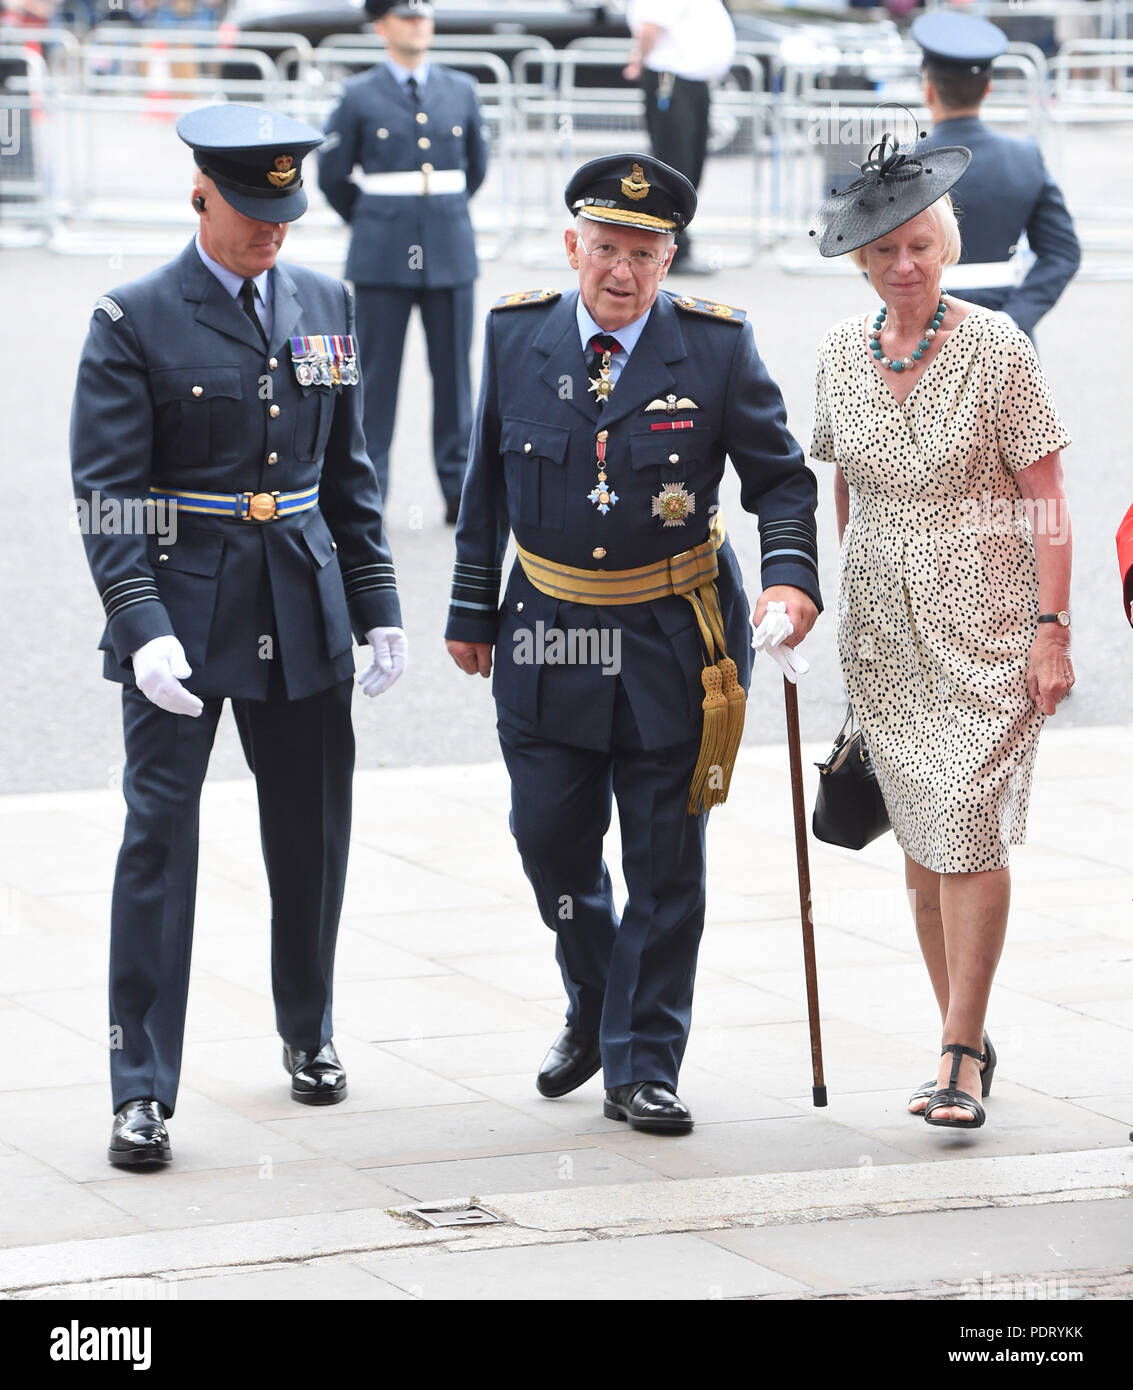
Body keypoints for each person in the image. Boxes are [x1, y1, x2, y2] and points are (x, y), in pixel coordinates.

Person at [445, 154, 820, 1134]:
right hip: (548, 628)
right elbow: (483, 479)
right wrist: (468, 609)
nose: (621, 271)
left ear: (668, 258)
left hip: (669, 634)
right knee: (549, 842)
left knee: (665, 863)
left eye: (643, 254)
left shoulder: (715, 350)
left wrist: (788, 580)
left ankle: (641, 1060)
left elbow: (779, 482)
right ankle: (594, 993)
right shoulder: (514, 332)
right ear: (571, 246)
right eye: (604, 248)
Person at [70, 105, 406, 1168]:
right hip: (182, 603)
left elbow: (349, 475)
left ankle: (308, 1029)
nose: (273, 232)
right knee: (158, 847)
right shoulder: (133, 318)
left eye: (284, 212)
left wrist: (378, 600)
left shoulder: (325, 300)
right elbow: (112, 496)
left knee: (309, 835)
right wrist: (141, 626)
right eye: (254, 212)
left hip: (298, 600)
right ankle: (140, 1088)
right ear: (200, 196)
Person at [810, 129, 1074, 1130]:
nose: (902, 265)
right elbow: (843, 489)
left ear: (944, 244)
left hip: (988, 631)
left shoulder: (999, 349)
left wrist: (1052, 631)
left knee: (966, 830)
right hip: (882, 638)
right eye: (882, 252)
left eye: (917, 244)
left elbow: (1046, 495)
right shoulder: (838, 352)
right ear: (860, 262)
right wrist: (837, 606)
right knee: (920, 845)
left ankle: (959, 1053)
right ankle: (956, 1027)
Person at [318, 0, 488, 524]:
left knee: (456, 379)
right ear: (381, 26)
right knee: (374, 380)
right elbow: (331, 174)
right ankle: (368, 492)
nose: (418, 24)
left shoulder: (462, 90)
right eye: (406, 16)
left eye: (424, 15)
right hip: (382, 256)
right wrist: (374, 221)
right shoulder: (358, 94)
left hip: (449, 251)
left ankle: (459, 493)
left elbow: (475, 170)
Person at [913, 10, 1080, 343]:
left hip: (921, 331)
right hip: (1006, 336)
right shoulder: (1025, 157)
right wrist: (1014, 317)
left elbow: (873, 251)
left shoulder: (904, 162)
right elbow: (1062, 252)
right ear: (987, 89)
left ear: (928, 89)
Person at [622, 0, 735, 273]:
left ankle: (672, 246)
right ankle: (667, 251)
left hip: (688, 82)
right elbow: (650, 28)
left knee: (688, 168)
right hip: (671, 81)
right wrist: (639, 59)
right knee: (674, 168)